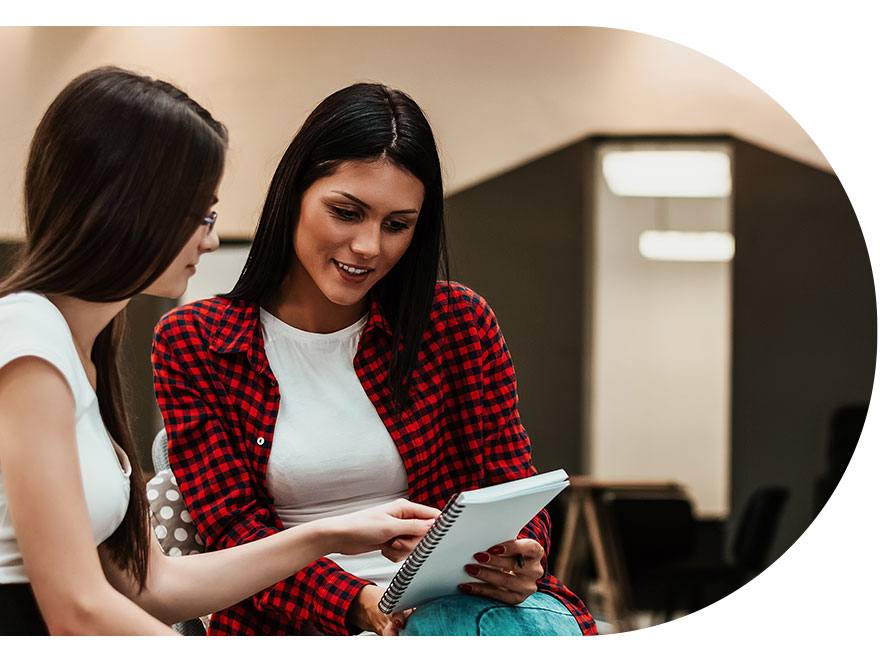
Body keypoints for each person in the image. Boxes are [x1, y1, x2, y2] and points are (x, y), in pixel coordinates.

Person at [0, 67, 440, 636]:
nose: (210, 239)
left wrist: (329, 533)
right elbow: (76, 609)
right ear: (129, 205)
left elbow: (150, 587)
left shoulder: (84, 348)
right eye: (201, 215)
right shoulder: (28, 335)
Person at [152, 82, 597, 636]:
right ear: (294, 194)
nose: (369, 247)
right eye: (346, 212)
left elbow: (510, 481)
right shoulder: (196, 341)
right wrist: (361, 603)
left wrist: (520, 556)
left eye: (397, 225)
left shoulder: (458, 323)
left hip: (459, 608)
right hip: (295, 623)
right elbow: (232, 532)